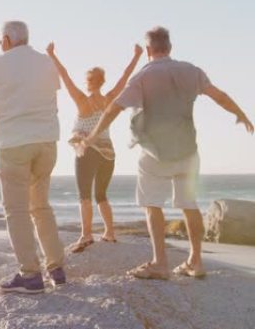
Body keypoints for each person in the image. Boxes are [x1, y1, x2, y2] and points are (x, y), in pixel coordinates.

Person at [83, 26, 254, 280]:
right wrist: (240, 115)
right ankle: (195, 262)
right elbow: (220, 96)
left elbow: (113, 109)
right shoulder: (191, 71)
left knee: (152, 205)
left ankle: (160, 263)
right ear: (170, 48)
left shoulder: (142, 77)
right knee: (189, 204)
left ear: (149, 50)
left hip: (154, 153)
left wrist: (92, 136)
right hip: (187, 150)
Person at [0, 21, 65, 293]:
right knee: (40, 206)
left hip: (15, 145)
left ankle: (30, 275)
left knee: (16, 212)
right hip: (47, 144)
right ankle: (56, 268)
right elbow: (53, 95)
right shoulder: (46, 62)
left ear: (5, 39)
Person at [46, 43, 143, 253]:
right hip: (108, 154)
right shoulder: (109, 99)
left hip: (87, 151)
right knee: (101, 195)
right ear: (103, 82)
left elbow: (65, 76)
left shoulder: (81, 100)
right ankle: (109, 233)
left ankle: (86, 234)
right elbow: (125, 78)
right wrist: (136, 56)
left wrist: (52, 55)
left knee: (84, 196)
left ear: (89, 83)